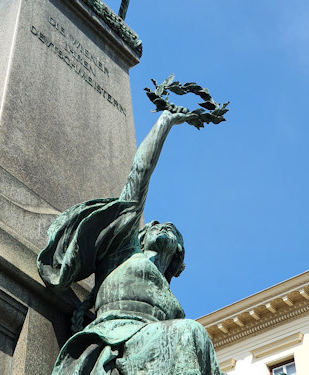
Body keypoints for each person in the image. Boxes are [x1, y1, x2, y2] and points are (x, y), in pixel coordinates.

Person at [38, 110, 225, 374]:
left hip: (151, 342)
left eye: (172, 231)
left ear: (178, 254)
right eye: (155, 225)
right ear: (140, 236)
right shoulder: (124, 250)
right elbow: (139, 174)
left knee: (196, 338)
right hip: (119, 335)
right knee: (191, 332)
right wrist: (165, 121)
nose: (163, 227)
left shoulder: (169, 297)